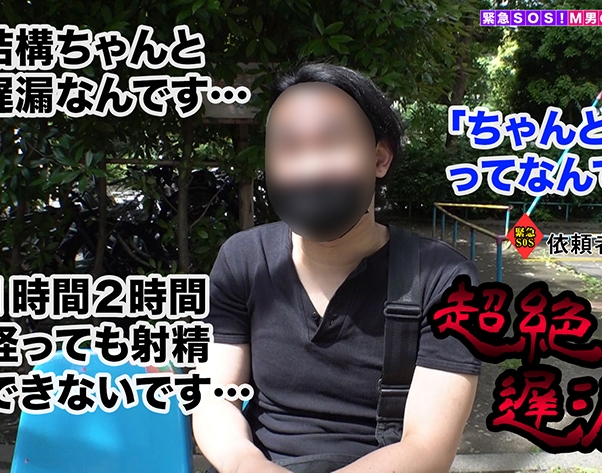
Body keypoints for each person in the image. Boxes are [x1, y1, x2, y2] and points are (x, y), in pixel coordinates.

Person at [193, 62, 482, 473]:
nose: (310, 169)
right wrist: (246, 465)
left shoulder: (443, 280)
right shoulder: (244, 259)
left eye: (332, 143)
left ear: (379, 157)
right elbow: (213, 397)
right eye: (288, 148)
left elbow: (428, 448)